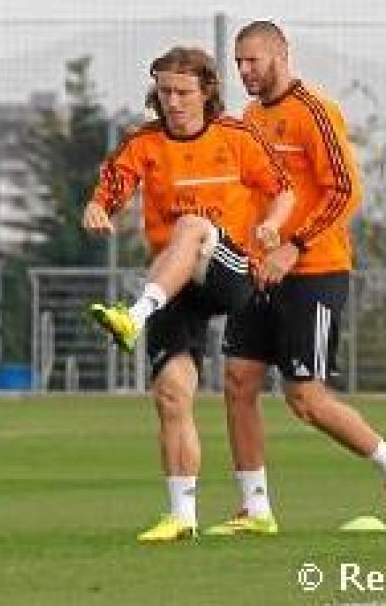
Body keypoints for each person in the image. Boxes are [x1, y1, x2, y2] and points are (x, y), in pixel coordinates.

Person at [82, 46, 292, 542]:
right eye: (164, 90)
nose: (172, 101)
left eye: (182, 91)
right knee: (172, 394)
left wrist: (273, 226)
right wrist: (96, 210)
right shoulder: (144, 144)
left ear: (206, 92)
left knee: (194, 225)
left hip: (229, 270)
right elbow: (109, 189)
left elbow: (283, 189)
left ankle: (133, 315)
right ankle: (181, 515)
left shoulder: (237, 137)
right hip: (173, 283)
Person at [206, 20, 386, 536]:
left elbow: (345, 192)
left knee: (304, 396)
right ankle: (256, 509)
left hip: (315, 270)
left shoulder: (315, 112)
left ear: (281, 55)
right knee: (238, 380)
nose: (243, 71)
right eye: (238, 62)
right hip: (259, 270)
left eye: (253, 60)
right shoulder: (247, 119)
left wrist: (295, 245)